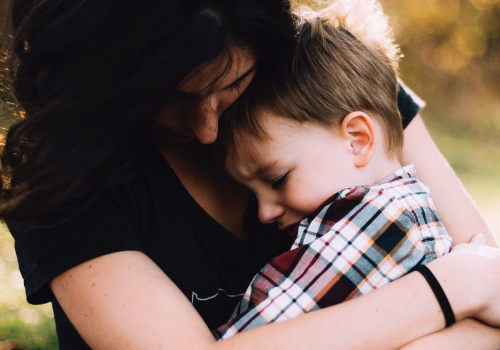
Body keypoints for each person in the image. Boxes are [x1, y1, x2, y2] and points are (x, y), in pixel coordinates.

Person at [1, 0, 500, 349]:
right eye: (167, 100)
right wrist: (450, 289)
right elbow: (484, 279)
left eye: (232, 83)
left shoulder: (334, 87)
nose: (206, 130)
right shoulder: (63, 178)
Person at [213, 2, 453, 338]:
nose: (264, 212)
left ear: (357, 139)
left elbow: (259, 334)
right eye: (252, 193)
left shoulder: (380, 221)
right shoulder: (405, 209)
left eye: (278, 179)